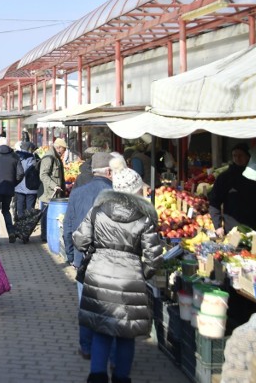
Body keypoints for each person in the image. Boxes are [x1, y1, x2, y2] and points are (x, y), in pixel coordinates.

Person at [72, 161, 162, 383]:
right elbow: (153, 257)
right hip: (130, 279)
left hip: (98, 275)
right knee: (125, 335)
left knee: (101, 331)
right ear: (135, 189)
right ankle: (121, 378)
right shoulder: (145, 218)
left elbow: (80, 239)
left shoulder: (98, 210)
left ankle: (97, 376)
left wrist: (95, 253)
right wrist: (143, 273)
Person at [63, 152, 115, 360]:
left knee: (86, 307)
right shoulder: (115, 194)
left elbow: (68, 226)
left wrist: (71, 255)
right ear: (109, 171)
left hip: (82, 258)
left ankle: (86, 347)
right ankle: (110, 355)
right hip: (108, 260)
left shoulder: (78, 192)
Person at [208, 143, 256, 236]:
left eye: (240, 155)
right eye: (234, 156)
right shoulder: (225, 177)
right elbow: (214, 202)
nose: (237, 158)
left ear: (248, 157)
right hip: (232, 229)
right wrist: (218, 226)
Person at [0, 137, 24, 244]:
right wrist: (14, 183)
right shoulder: (14, 155)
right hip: (9, 188)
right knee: (6, 211)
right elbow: (21, 173)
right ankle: (11, 232)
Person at [38, 138, 67, 242]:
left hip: (55, 194)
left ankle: (50, 235)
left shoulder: (56, 157)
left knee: (52, 215)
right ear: (58, 147)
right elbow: (43, 175)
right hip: (49, 194)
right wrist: (54, 185)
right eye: (64, 149)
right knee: (46, 216)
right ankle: (45, 236)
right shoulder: (49, 157)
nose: (64, 152)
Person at [14, 141, 39, 220]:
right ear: (29, 149)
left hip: (18, 186)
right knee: (30, 209)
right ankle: (27, 225)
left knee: (20, 206)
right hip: (31, 187)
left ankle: (19, 224)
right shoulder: (33, 159)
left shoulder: (16, 157)